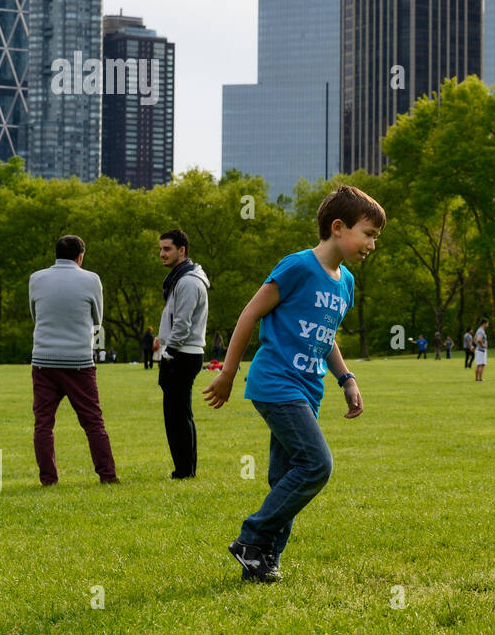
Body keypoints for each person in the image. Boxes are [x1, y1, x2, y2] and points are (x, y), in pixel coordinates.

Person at [203, 184, 383, 583]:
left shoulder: (345, 283)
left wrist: (346, 378)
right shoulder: (298, 267)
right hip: (276, 383)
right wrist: (228, 372)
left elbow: (326, 335)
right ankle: (252, 537)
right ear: (339, 227)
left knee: (284, 478)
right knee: (317, 465)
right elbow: (249, 314)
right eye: (368, 234)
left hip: (308, 388)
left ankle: (263, 560)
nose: (372, 243)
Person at [27, 235, 119, 486]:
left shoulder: (36, 278)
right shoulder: (91, 280)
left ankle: (48, 479)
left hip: (43, 360)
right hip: (79, 361)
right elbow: (97, 319)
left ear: (55, 255)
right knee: (93, 422)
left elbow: (35, 314)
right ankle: (107, 475)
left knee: (43, 423)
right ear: (80, 257)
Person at [157, 229, 211, 479]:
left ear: (182, 250)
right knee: (178, 414)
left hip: (182, 354)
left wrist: (168, 352)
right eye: (160, 249)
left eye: (167, 249)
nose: (162, 254)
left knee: (178, 416)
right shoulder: (181, 278)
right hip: (181, 353)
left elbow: (182, 324)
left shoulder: (188, 281)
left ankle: (185, 470)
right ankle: (184, 468)